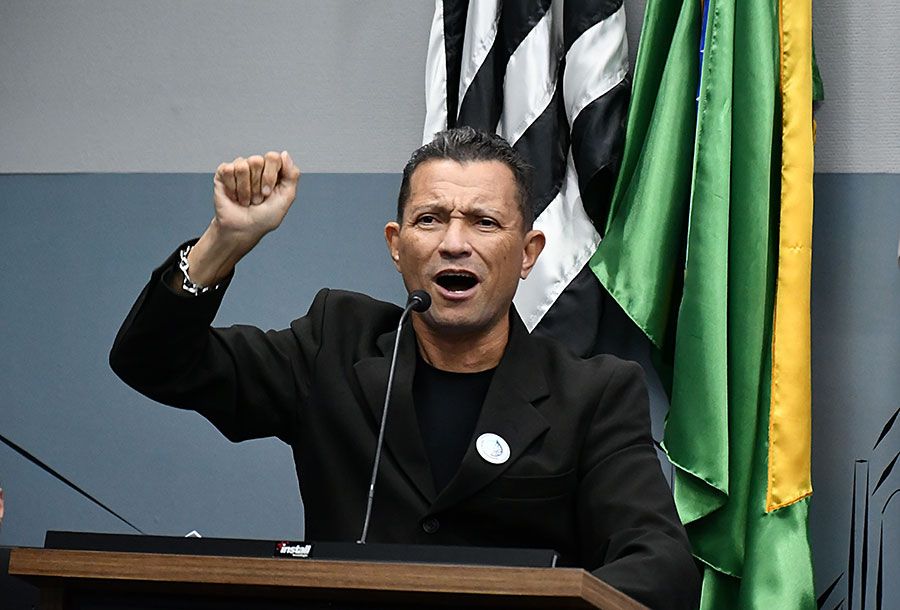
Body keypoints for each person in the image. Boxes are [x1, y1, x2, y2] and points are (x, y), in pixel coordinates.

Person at [110, 127, 700, 608]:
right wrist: (223, 242)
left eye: (484, 222)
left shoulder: (592, 395)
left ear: (528, 254)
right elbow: (153, 361)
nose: (454, 243)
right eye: (430, 219)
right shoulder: (333, 346)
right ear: (396, 245)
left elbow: (661, 564)